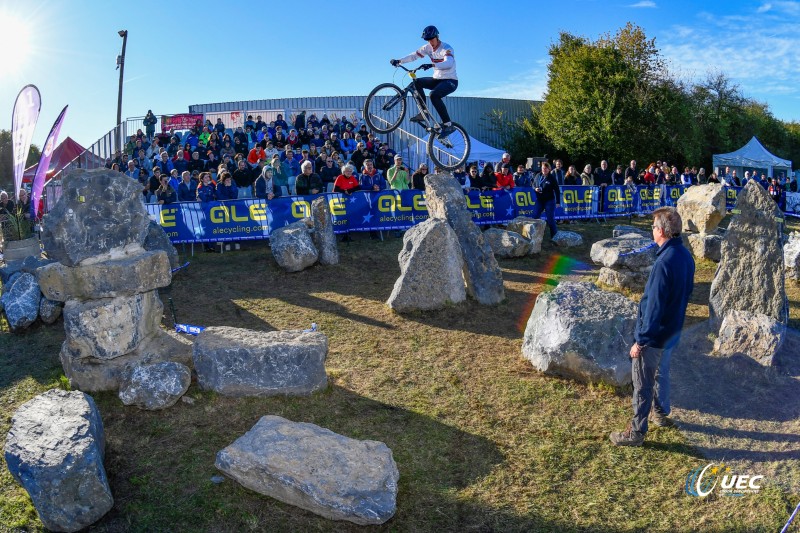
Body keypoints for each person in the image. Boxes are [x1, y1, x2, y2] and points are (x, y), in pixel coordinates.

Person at [610, 207, 695, 447]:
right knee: (661, 373)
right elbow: (687, 292)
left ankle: (636, 433)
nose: (652, 230)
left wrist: (640, 341)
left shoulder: (663, 263)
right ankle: (661, 412)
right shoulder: (685, 256)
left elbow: (654, 308)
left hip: (655, 336)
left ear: (662, 231)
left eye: (653, 227)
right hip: (672, 331)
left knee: (643, 384)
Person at [390, 25, 458, 138]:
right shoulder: (427, 48)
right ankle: (424, 113)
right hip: (437, 79)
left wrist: (432, 64)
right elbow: (413, 56)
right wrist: (399, 61)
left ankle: (448, 124)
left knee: (434, 95)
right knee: (416, 82)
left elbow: (449, 63)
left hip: (450, 81)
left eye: (432, 39)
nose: (430, 42)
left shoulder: (447, 48)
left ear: (437, 37)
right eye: (428, 40)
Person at [532, 161, 560, 238]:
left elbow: (557, 190)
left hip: (549, 201)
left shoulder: (552, 178)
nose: (544, 169)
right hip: (539, 200)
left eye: (546, 168)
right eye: (543, 168)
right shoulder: (538, 175)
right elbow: (533, 184)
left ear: (549, 169)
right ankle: (533, 235)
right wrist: (535, 188)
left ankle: (554, 237)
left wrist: (558, 202)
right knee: (535, 216)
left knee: (550, 219)